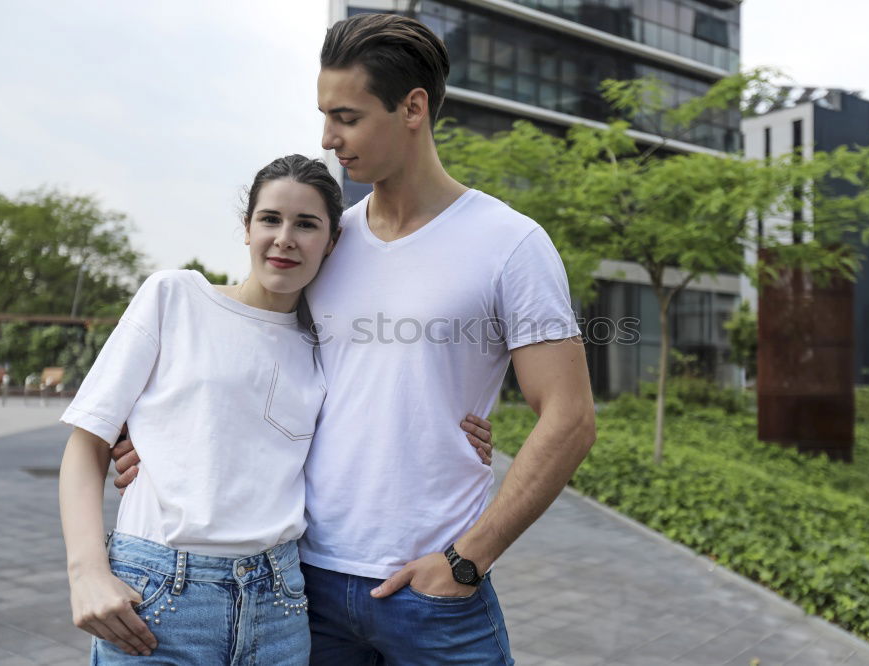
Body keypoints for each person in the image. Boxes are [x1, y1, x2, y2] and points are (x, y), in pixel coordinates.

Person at [116, 12, 596, 665]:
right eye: (324, 116)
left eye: (346, 116)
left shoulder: (509, 244)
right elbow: (229, 347)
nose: (327, 137)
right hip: (299, 585)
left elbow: (569, 418)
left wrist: (465, 561)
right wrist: (147, 437)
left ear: (413, 108)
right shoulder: (324, 242)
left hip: (432, 593)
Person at [59, 155, 493, 664]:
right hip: (158, 593)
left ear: (332, 243)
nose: (285, 237)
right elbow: (88, 441)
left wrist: (457, 434)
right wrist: (86, 572)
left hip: (280, 603)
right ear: (247, 229)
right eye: (270, 219)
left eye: (306, 224)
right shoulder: (175, 297)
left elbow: (382, 413)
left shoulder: (324, 342)